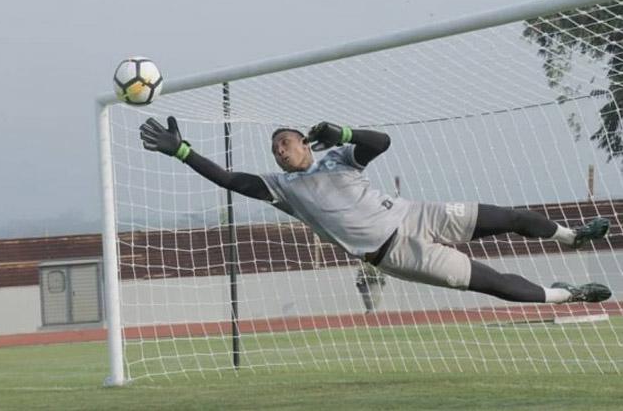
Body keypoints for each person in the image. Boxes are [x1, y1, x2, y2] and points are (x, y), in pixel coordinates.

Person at [139, 116, 612, 304]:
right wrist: (182, 152)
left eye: (285, 142)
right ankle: (567, 295)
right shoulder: (281, 188)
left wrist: (343, 133)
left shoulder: (337, 157)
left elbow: (381, 143)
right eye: (274, 148)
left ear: (304, 141)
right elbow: (227, 179)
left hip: (415, 214)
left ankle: (574, 236)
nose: (280, 151)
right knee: (494, 283)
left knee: (507, 218)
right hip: (394, 254)